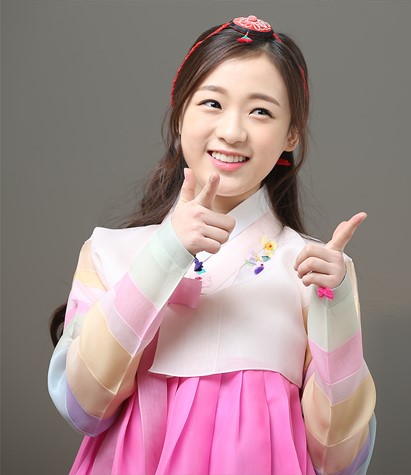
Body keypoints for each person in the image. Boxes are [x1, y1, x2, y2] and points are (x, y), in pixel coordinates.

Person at [47, 14, 377, 475]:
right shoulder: (109, 252)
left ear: (292, 134)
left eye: (261, 111)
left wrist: (334, 305)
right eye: (212, 103)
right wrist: (165, 253)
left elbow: (337, 457)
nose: (233, 131)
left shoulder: (313, 269)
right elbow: (84, 405)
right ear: (180, 114)